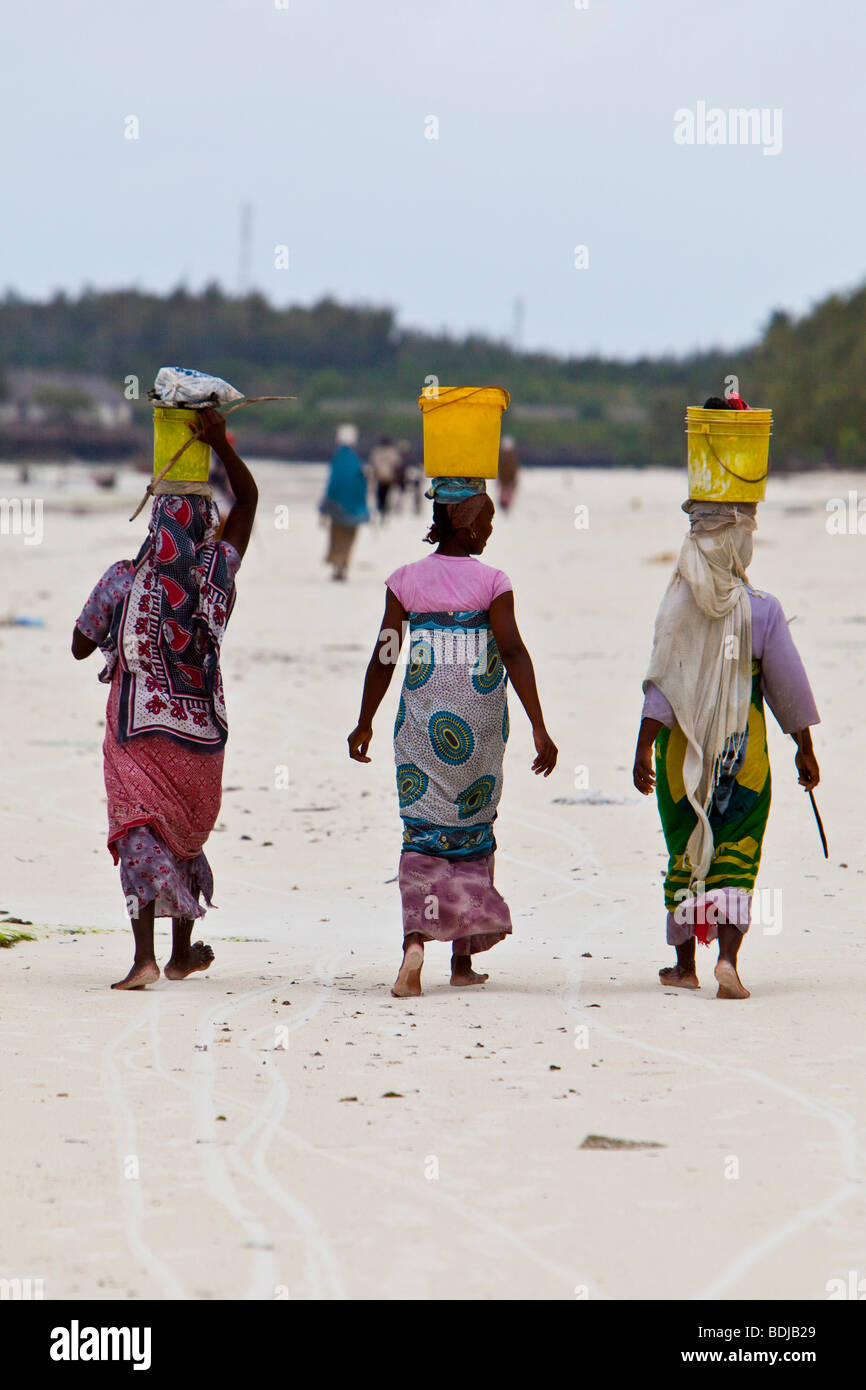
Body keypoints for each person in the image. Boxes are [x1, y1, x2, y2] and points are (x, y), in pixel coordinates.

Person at [633, 398, 820, 1000]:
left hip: (681, 753)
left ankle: (685, 964)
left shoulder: (679, 602)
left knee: (685, 844)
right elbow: (786, 685)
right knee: (737, 850)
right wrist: (804, 748)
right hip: (747, 756)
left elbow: (662, 677)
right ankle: (730, 963)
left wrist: (643, 746)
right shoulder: (761, 609)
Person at [347, 475, 558, 997]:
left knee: (422, 835)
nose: (488, 531)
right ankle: (462, 963)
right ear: (463, 525)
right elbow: (511, 652)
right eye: (484, 522)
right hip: (482, 731)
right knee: (472, 832)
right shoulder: (494, 583)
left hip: (421, 728)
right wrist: (538, 724)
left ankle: (415, 945)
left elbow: (386, 655)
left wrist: (365, 719)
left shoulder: (405, 582)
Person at [71, 408, 258, 989]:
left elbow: (79, 646)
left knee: (138, 835)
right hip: (200, 739)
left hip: (136, 733)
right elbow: (248, 504)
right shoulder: (215, 571)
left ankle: (143, 958)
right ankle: (178, 955)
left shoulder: (123, 578)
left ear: (155, 524)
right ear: (205, 525)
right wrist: (221, 444)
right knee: (180, 837)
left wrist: (113, 616)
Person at [319, 424, 369, 581]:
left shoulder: (338, 460)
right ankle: (344, 564)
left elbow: (332, 484)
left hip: (338, 509)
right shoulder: (356, 461)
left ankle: (337, 565)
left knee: (337, 537)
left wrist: (324, 508)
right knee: (349, 539)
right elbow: (362, 485)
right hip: (355, 508)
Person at [368, 434, 401, 520]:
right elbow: (397, 464)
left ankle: (382, 510)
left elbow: (373, 463)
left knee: (381, 495)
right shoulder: (392, 451)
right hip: (388, 478)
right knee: (386, 495)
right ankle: (384, 511)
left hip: (381, 478)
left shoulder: (377, 451)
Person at [498, 436, 520, 512]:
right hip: (505, 482)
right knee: (506, 493)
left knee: (507, 493)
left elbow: (514, 470)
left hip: (508, 481)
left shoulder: (510, 457)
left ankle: (505, 504)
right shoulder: (506, 457)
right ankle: (505, 504)